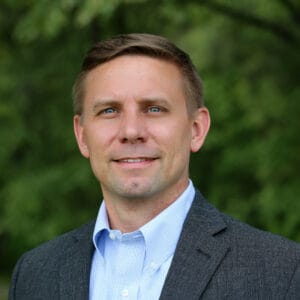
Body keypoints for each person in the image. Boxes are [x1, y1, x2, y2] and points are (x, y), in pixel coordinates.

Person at [9, 33, 300, 300]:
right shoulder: (35, 274)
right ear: (82, 136)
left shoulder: (282, 272)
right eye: (109, 110)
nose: (131, 130)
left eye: (154, 109)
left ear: (197, 129)